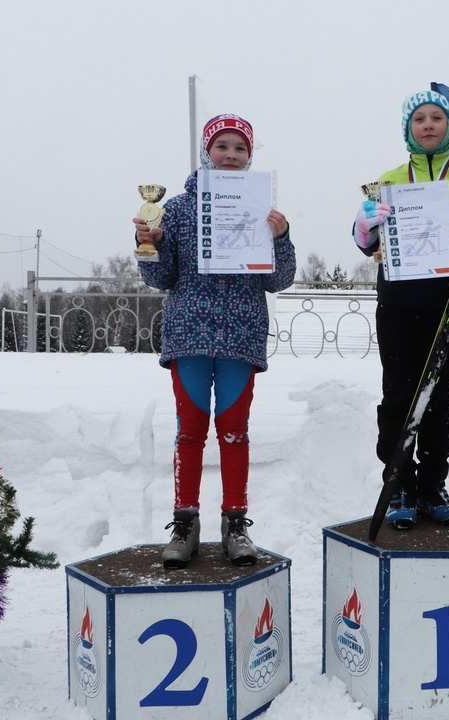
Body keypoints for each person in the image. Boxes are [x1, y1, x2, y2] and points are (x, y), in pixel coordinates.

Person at [134, 113, 297, 569]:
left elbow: (279, 280)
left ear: (249, 157)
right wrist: (154, 241)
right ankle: (185, 523)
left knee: (234, 432)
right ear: (207, 152)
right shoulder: (180, 208)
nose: (230, 155)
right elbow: (159, 276)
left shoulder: (263, 210)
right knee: (189, 432)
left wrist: (281, 237)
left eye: (239, 148)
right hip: (189, 331)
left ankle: (236, 523)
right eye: (222, 146)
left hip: (241, 334)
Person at [353, 90, 449, 531]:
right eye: (418, 118)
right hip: (399, 301)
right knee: (399, 395)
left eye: (436, 117)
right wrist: (364, 226)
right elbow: (368, 242)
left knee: (440, 398)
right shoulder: (390, 178)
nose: (427, 125)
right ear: (408, 129)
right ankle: (398, 482)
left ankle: (434, 486)